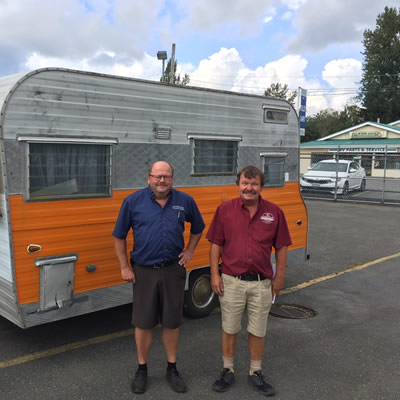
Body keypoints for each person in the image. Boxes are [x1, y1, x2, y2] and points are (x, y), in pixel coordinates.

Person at [113, 161, 205, 394]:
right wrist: (124, 266)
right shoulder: (133, 202)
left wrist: (190, 251)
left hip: (173, 270)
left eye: (166, 176)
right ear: (149, 178)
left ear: (172, 179)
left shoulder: (185, 201)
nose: (162, 180)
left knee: (171, 322)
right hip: (143, 271)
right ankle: (142, 369)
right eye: (157, 176)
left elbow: (198, 227)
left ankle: (172, 369)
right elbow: (119, 236)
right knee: (143, 323)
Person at [206, 165, 292, 397]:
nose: (249, 188)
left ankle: (256, 371)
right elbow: (216, 244)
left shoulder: (274, 212)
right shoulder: (225, 210)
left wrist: (279, 278)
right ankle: (227, 369)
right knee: (230, 327)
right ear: (238, 185)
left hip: (261, 283)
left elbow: (282, 246)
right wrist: (214, 274)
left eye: (254, 184)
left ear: (261, 187)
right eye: (245, 183)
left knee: (258, 329)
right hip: (231, 281)